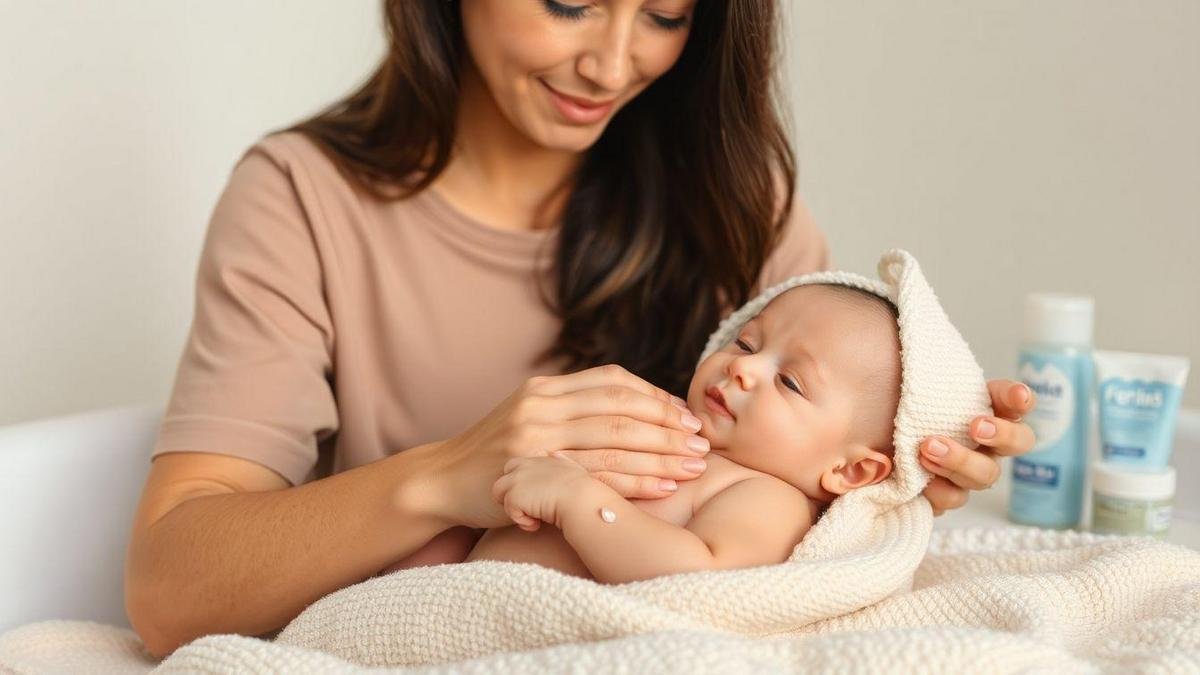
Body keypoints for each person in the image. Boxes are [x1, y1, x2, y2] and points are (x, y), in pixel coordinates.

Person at [124, 0, 1037, 658]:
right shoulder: (302, 200)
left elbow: (804, 498)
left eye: (667, 15)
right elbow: (169, 595)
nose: (613, 63)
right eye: (570, 5)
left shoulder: (738, 206)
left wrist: (916, 476)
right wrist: (446, 475)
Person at [461, 283, 904, 582]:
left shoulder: (768, 497)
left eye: (790, 382)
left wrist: (580, 501)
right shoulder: (663, 419)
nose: (743, 367)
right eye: (746, 343)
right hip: (460, 577)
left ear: (851, 471)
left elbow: (699, 578)